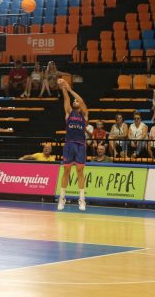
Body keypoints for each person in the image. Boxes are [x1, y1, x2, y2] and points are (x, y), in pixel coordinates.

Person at [57, 79, 88, 211]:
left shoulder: (85, 114)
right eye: (73, 101)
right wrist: (63, 86)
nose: (75, 102)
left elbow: (81, 101)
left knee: (80, 172)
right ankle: (62, 198)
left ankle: (82, 199)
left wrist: (70, 89)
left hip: (80, 145)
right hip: (69, 144)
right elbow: (66, 99)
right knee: (66, 171)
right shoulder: (69, 112)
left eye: (76, 101)